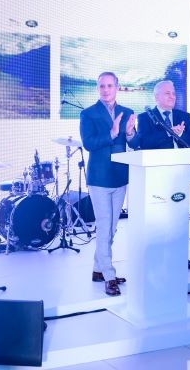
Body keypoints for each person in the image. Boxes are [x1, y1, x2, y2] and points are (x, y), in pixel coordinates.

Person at [79, 72, 139, 296]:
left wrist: (130, 133)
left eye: (109, 85)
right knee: (104, 226)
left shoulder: (128, 112)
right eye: (102, 86)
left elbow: (135, 142)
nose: (105, 90)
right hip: (99, 178)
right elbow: (88, 143)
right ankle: (109, 276)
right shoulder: (88, 113)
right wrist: (112, 134)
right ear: (98, 88)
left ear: (117, 87)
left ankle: (98, 269)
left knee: (111, 228)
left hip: (120, 176)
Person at [136, 80, 190, 269]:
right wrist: (170, 133)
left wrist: (180, 135)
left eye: (173, 93)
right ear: (156, 97)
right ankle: (158, 258)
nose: (172, 96)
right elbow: (145, 143)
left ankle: (180, 256)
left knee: (179, 219)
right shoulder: (145, 117)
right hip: (157, 175)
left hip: (180, 174)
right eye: (167, 93)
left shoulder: (183, 116)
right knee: (160, 220)